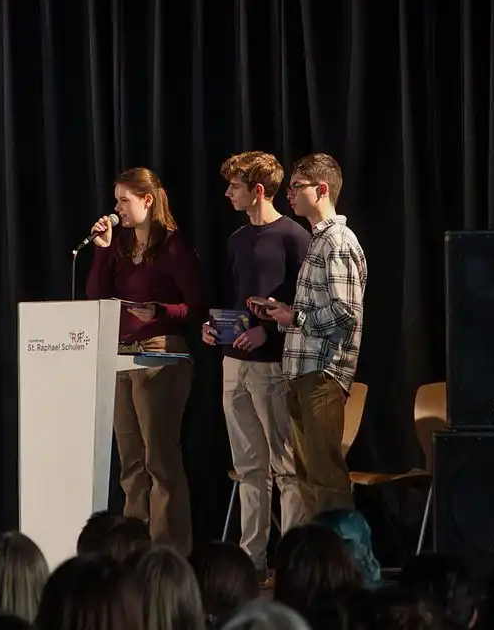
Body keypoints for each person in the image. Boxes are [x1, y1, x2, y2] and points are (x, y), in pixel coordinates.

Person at [202, 151, 311, 580]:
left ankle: (295, 562)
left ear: (257, 190)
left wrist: (271, 331)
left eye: (235, 185)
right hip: (235, 361)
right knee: (249, 467)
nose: (228, 192)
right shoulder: (237, 239)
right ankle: (253, 559)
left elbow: (303, 306)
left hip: (272, 365)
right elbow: (240, 298)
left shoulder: (294, 237)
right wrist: (216, 329)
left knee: (285, 468)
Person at [86, 167, 204, 556]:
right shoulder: (120, 245)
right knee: (130, 462)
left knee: (160, 460)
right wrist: (102, 250)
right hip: (121, 356)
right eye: (117, 199)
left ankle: (170, 551)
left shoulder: (172, 245)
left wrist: (160, 310)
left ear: (147, 200)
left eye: (124, 200)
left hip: (161, 354)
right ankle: (135, 547)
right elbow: (97, 297)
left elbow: (196, 306)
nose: (117, 207)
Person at [261, 154, 366, 515]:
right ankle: (319, 562)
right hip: (304, 372)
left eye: (296, 186)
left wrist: (297, 316)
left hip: (322, 374)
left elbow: (345, 312)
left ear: (321, 190)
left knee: (325, 476)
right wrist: (284, 314)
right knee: (308, 476)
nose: (288, 194)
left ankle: (341, 564)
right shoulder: (319, 240)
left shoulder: (337, 240)